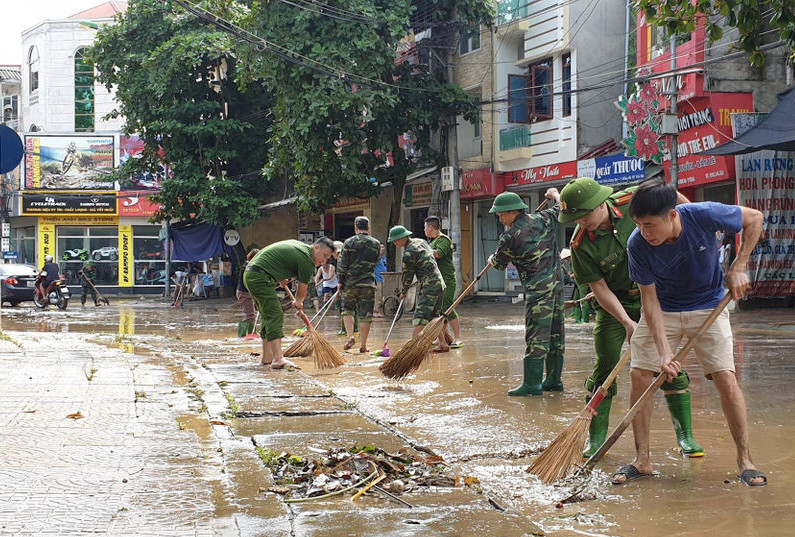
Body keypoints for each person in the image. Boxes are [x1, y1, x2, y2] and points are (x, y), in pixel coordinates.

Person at [614, 178, 766, 486]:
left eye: (650, 225)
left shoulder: (703, 214)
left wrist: (739, 266)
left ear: (672, 215)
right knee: (640, 374)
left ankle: (745, 460)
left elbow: (755, 218)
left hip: (708, 305)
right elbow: (649, 300)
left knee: (725, 377)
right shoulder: (637, 244)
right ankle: (642, 460)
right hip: (664, 308)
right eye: (639, 225)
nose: (644, 232)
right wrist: (664, 352)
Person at [559, 176, 703, 459]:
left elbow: (671, 197)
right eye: (575, 219)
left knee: (667, 360)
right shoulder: (580, 245)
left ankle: (685, 435)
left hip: (659, 296)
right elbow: (599, 288)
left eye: (585, 215)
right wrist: (627, 322)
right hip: (617, 304)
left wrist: (690, 228)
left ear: (600, 203)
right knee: (606, 364)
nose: (582, 223)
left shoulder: (633, 201)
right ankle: (596, 438)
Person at [488, 189, 564, 396]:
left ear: (513, 211)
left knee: (536, 335)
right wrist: (555, 194)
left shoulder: (509, 237)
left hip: (538, 291)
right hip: (557, 285)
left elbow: (499, 264)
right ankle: (554, 380)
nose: (499, 218)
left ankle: (532, 384)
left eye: (501, 214)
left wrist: (490, 259)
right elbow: (561, 207)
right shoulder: (544, 218)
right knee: (556, 333)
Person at [243, 237, 335, 368]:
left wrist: (281, 277)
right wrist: (299, 301)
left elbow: (280, 259)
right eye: (324, 255)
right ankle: (278, 359)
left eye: (327, 259)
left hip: (252, 274)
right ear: (316, 247)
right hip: (260, 277)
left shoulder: (300, 248)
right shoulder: (307, 260)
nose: (323, 261)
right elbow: (302, 288)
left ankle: (267, 357)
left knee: (268, 316)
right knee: (275, 314)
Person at [388, 225, 449, 353]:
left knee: (420, 317)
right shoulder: (421, 242)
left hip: (429, 285)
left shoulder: (409, 253)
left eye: (395, 240)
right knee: (433, 316)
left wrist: (404, 291)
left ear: (403, 238)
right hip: (439, 283)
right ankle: (443, 344)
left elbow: (407, 276)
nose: (394, 243)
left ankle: (412, 350)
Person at [338, 216, 381, 353]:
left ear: (355, 228)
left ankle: (350, 336)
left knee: (347, 309)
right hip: (368, 284)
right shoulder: (375, 244)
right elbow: (376, 261)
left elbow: (342, 264)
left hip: (350, 284)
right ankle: (363, 345)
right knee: (366, 315)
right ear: (368, 228)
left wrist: (340, 281)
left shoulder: (348, 242)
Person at [424, 216, 463, 347]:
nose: (424, 230)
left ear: (430, 227)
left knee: (447, 307)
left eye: (425, 227)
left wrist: (423, 251)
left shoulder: (443, 240)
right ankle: (442, 339)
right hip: (437, 280)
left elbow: (438, 254)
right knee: (439, 310)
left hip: (447, 279)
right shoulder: (432, 242)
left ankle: (457, 337)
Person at [236, 249, 259, 337]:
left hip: (246, 293)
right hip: (244, 293)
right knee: (250, 316)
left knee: (252, 314)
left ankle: (252, 333)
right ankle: (242, 335)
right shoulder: (248, 267)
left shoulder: (248, 265)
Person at [372, 244, 387, 318]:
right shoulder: (376, 257)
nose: (382, 249)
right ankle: (375, 311)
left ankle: (379, 310)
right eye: (380, 247)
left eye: (383, 247)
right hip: (377, 278)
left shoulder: (384, 257)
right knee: (378, 295)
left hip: (383, 278)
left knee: (381, 296)